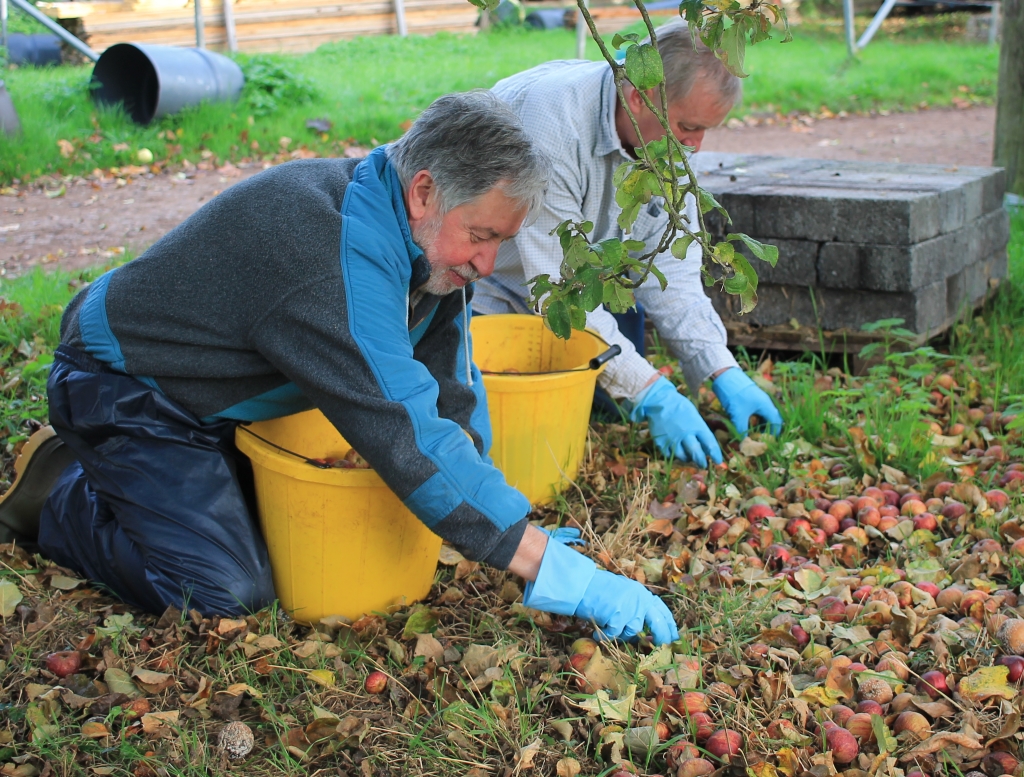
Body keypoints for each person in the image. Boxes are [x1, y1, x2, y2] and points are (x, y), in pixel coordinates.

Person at [0, 92, 678, 645]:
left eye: (500, 242)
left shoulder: (417, 237)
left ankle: (155, 482)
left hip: (219, 394)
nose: (484, 263)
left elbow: (448, 391)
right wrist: (548, 566)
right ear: (424, 190)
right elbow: (404, 428)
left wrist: (503, 522)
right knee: (227, 595)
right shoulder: (324, 257)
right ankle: (65, 493)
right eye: (482, 236)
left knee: (302, 549)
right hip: (124, 386)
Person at [476, 19, 783, 467]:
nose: (695, 147)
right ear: (639, 95)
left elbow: (672, 271)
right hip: (484, 286)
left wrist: (720, 366)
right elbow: (558, 288)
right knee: (500, 434)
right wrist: (651, 391)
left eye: (705, 131)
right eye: (688, 126)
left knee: (610, 407)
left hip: (582, 285)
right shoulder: (551, 128)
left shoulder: (662, 141)